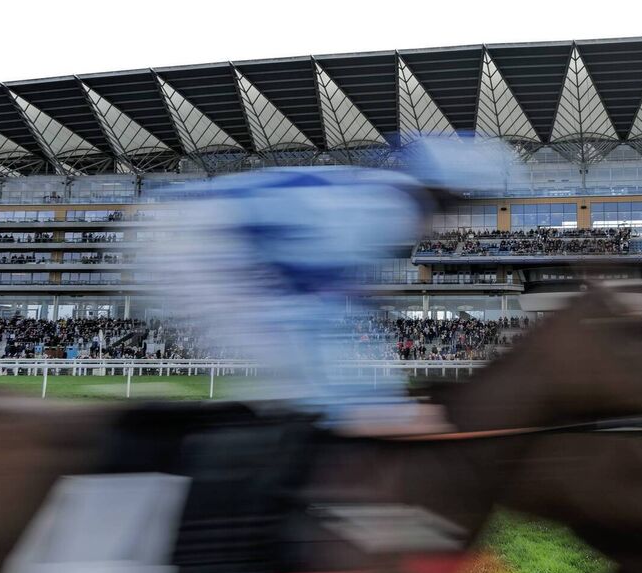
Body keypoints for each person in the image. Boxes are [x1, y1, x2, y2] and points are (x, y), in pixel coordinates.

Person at [144, 137, 509, 437]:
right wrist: (384, 410)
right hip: (196, 243)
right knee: (294, 382)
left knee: (304, 382)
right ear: (439, 194)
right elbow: (317, 314)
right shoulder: (389, 209)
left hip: (209, 234)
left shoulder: (381, 195)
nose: (451, 219)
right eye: (456, 204)